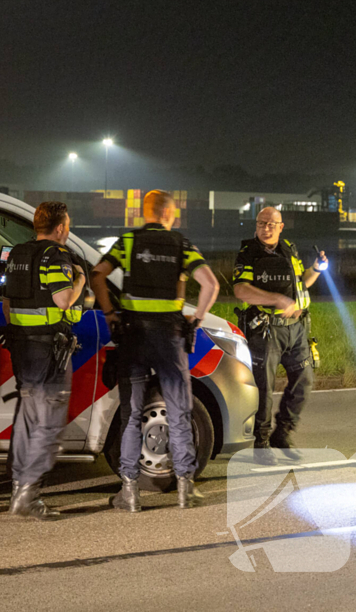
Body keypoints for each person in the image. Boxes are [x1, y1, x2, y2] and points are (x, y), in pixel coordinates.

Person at [90, 190, 219, 511]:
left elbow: (97, 276)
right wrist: (196, 320)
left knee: (131, 414)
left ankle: (130, 492)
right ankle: (185, 489)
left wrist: (110, 314)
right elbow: (211, 285)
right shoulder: (181, 244)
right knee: (179, 412)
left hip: (133, 337)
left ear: (145, 212)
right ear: (169, 214)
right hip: (170, 337)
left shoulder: (128, 242)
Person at [1, 201, 87, 520]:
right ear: (60, 227)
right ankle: (28, 494)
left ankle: (17, 489)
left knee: (26, 420)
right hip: (50, 351)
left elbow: (7, 302)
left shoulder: (18, 255)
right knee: (48, 424)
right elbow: (63, 299)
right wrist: (78, 278)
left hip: (22, 348)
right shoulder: (58, 257)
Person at [232, 207, 328, 466]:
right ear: (256, 225)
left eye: (272, 224)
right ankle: (261, 445)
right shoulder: (248, 252)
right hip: (267, 329)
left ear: (281, 226)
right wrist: (275, 299)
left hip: (296, 329)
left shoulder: (288, 249)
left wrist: (317, 268)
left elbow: (301, 282)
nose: (266, 228)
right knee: (264, 388)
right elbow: (241, 290)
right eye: (262, 223)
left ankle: (282, 434)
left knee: (304, 380)